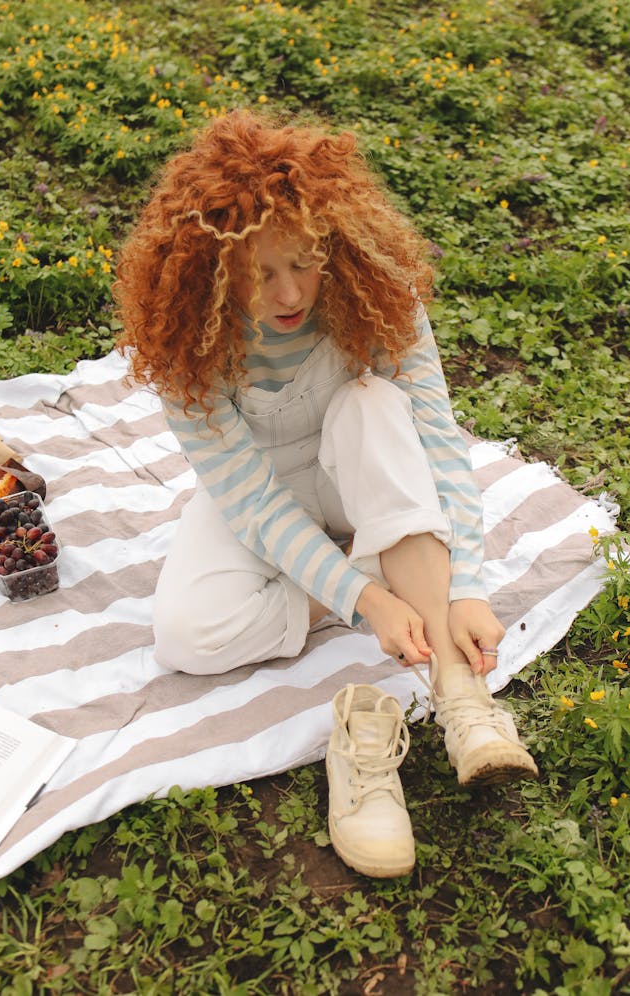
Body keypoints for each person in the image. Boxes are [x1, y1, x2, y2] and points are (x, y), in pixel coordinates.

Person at [114, 108, 537, 879]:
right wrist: (358, 596)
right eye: (262, 271)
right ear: (215, 265)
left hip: (362, 468)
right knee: (184, 635)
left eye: (306, 262)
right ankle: (387, 567)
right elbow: (248, 500)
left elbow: (437, 442)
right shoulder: (186, 340)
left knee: (374, 406)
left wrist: (469, 585)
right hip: (270, 491)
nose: (289, 292)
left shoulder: (376, 297)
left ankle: (463, 699)